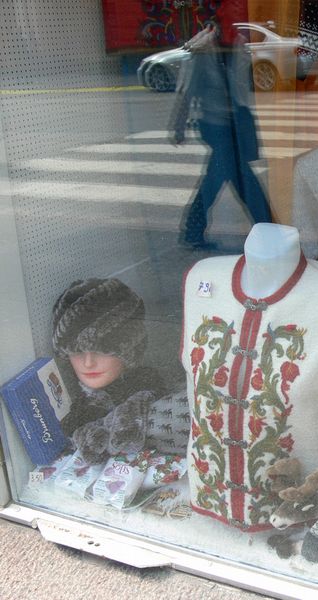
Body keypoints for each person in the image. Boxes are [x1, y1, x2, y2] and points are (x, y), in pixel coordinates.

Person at [52, 278, 187, 463]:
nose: (88, 363)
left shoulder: (150, 393)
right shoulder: (74, 403)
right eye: (77, 352)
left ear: (128, 350)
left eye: (102, 351)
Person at [170, 24, 271, 249]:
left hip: (236, 123)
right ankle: (268, 228)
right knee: (239, 177)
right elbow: (188, 90)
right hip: (215, 125)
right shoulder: (203, 51)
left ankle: (193, 232)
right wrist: (178, 125)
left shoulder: (238, 43)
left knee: (220, 177)